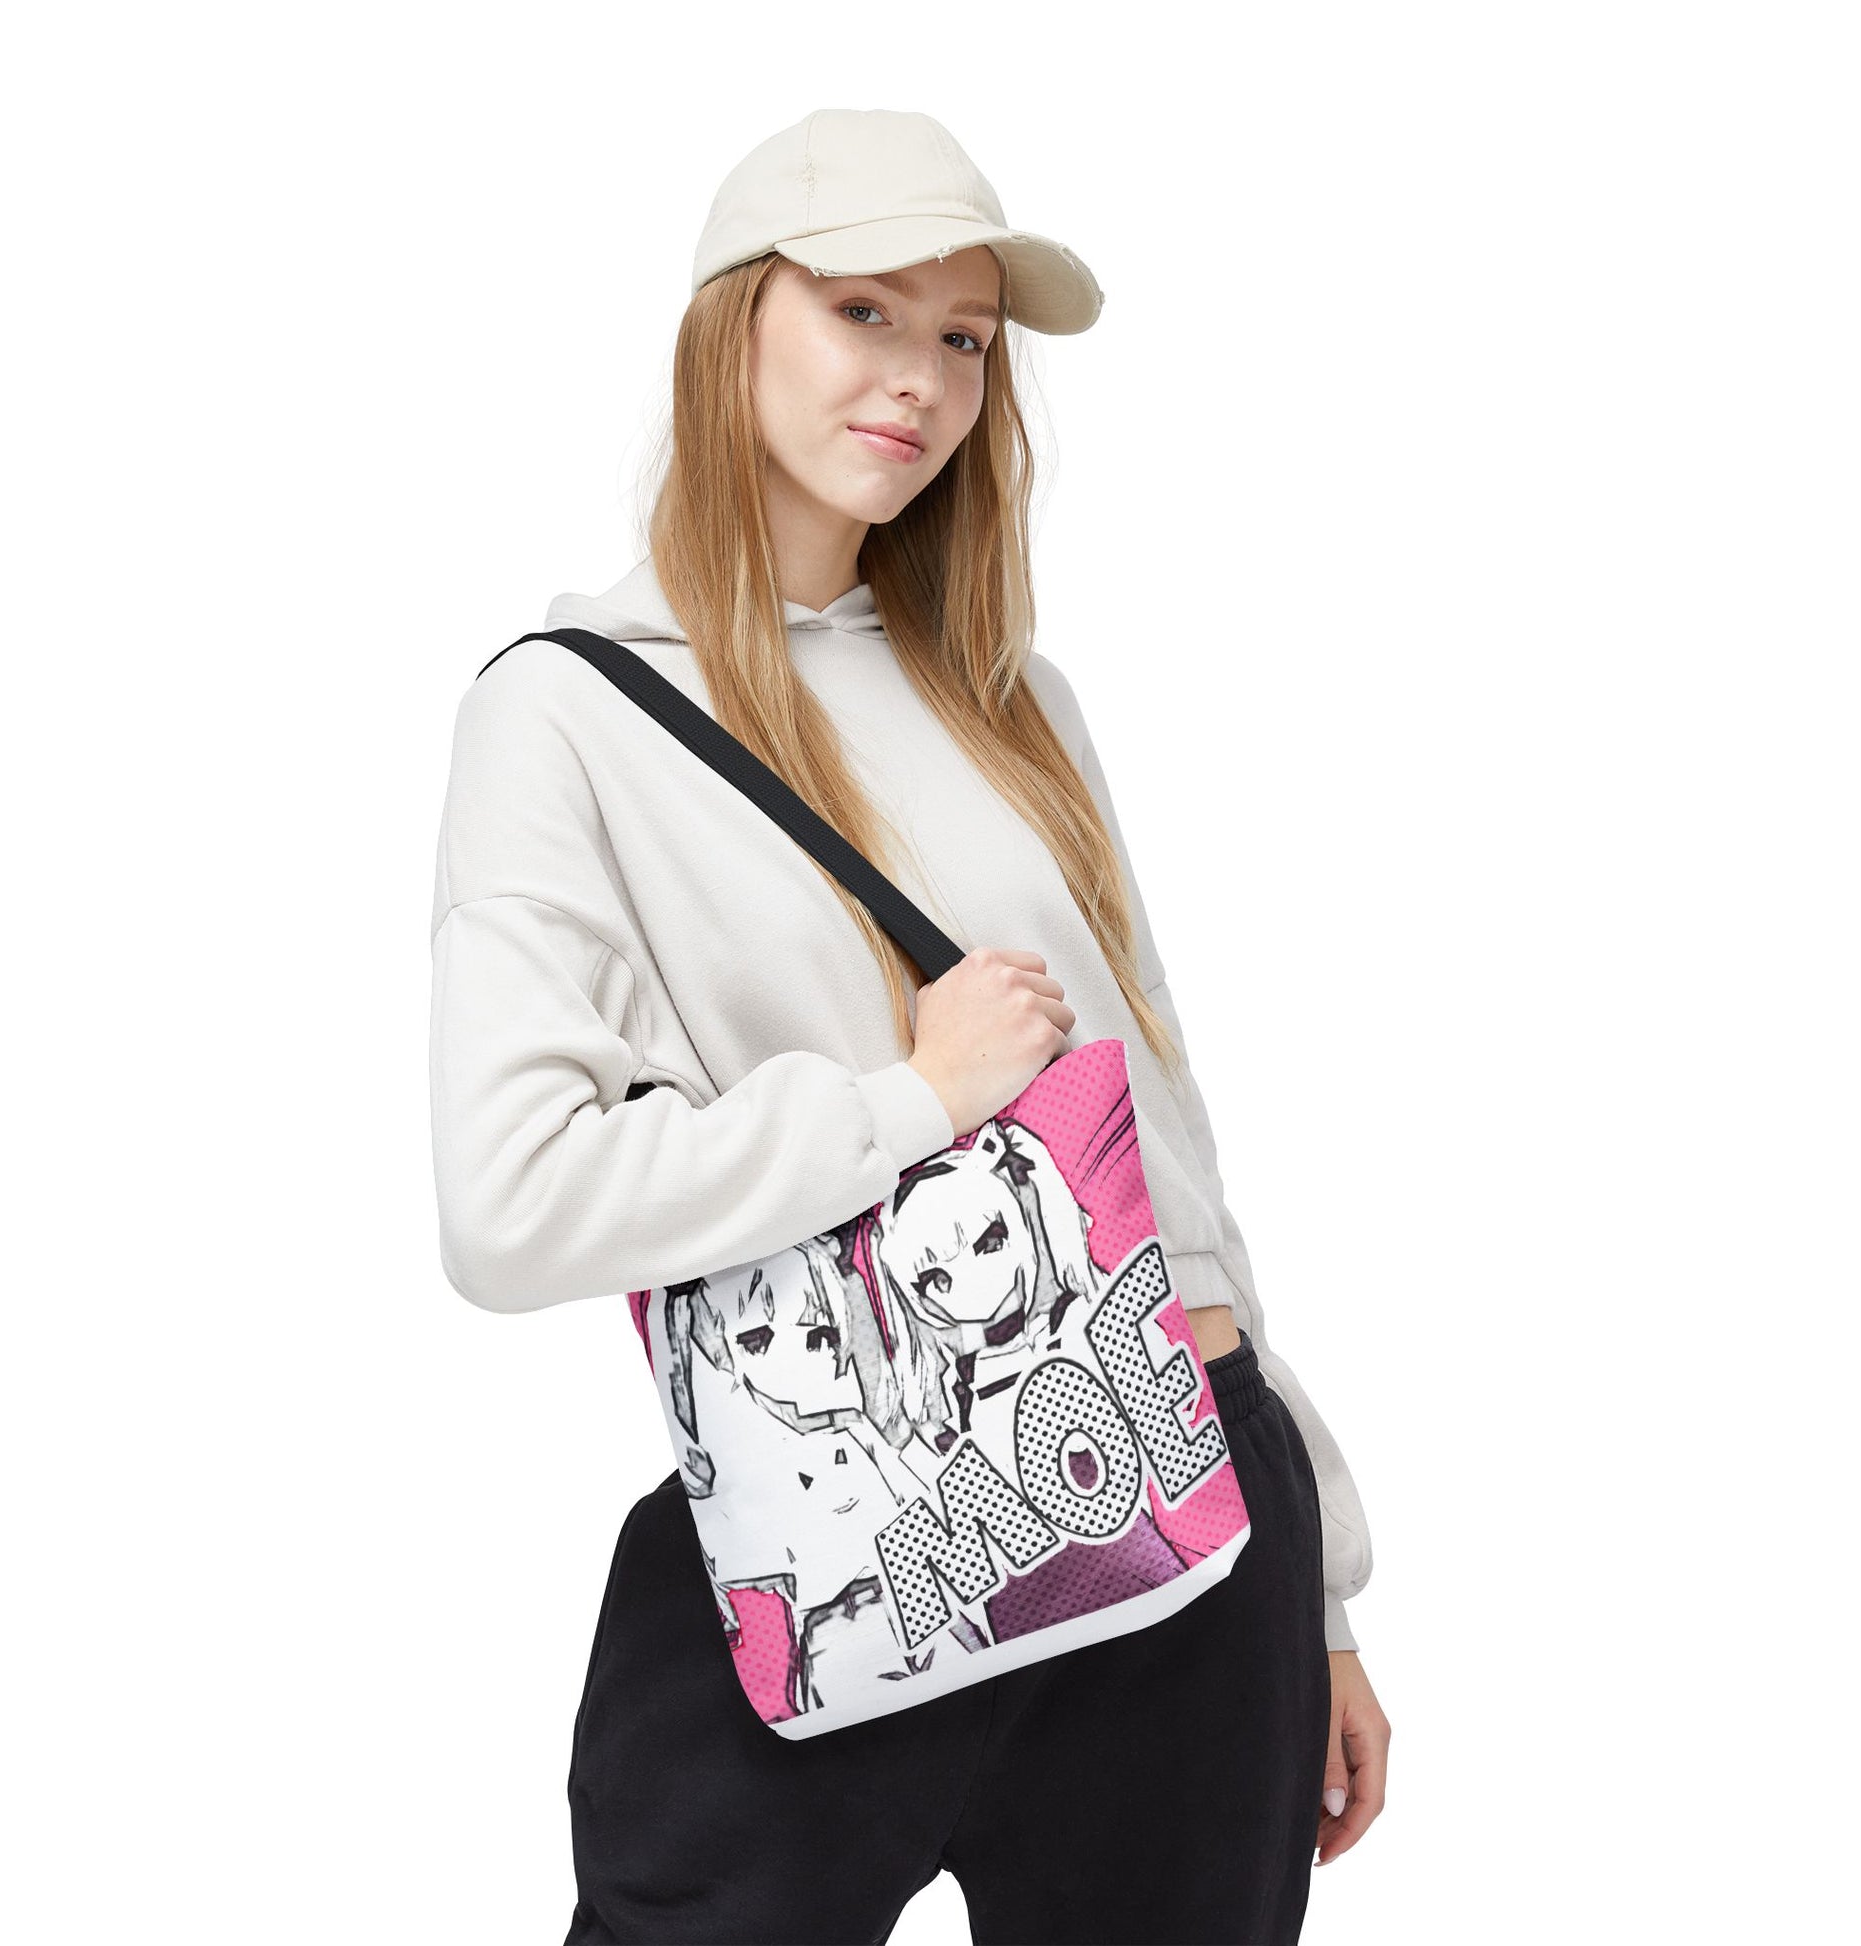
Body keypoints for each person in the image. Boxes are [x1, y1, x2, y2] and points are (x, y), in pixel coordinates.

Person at [429, 107, 1389, 1946]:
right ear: (732, 325)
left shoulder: (1012, 697)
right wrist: (910, 1099)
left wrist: (1323, 1585)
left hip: (1181, 1499)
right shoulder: (570, 715)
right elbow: (510, 1202)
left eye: (962, 337)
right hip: (835, 1541)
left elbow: (1162, 1146)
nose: (923, 380)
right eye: (863, 309)